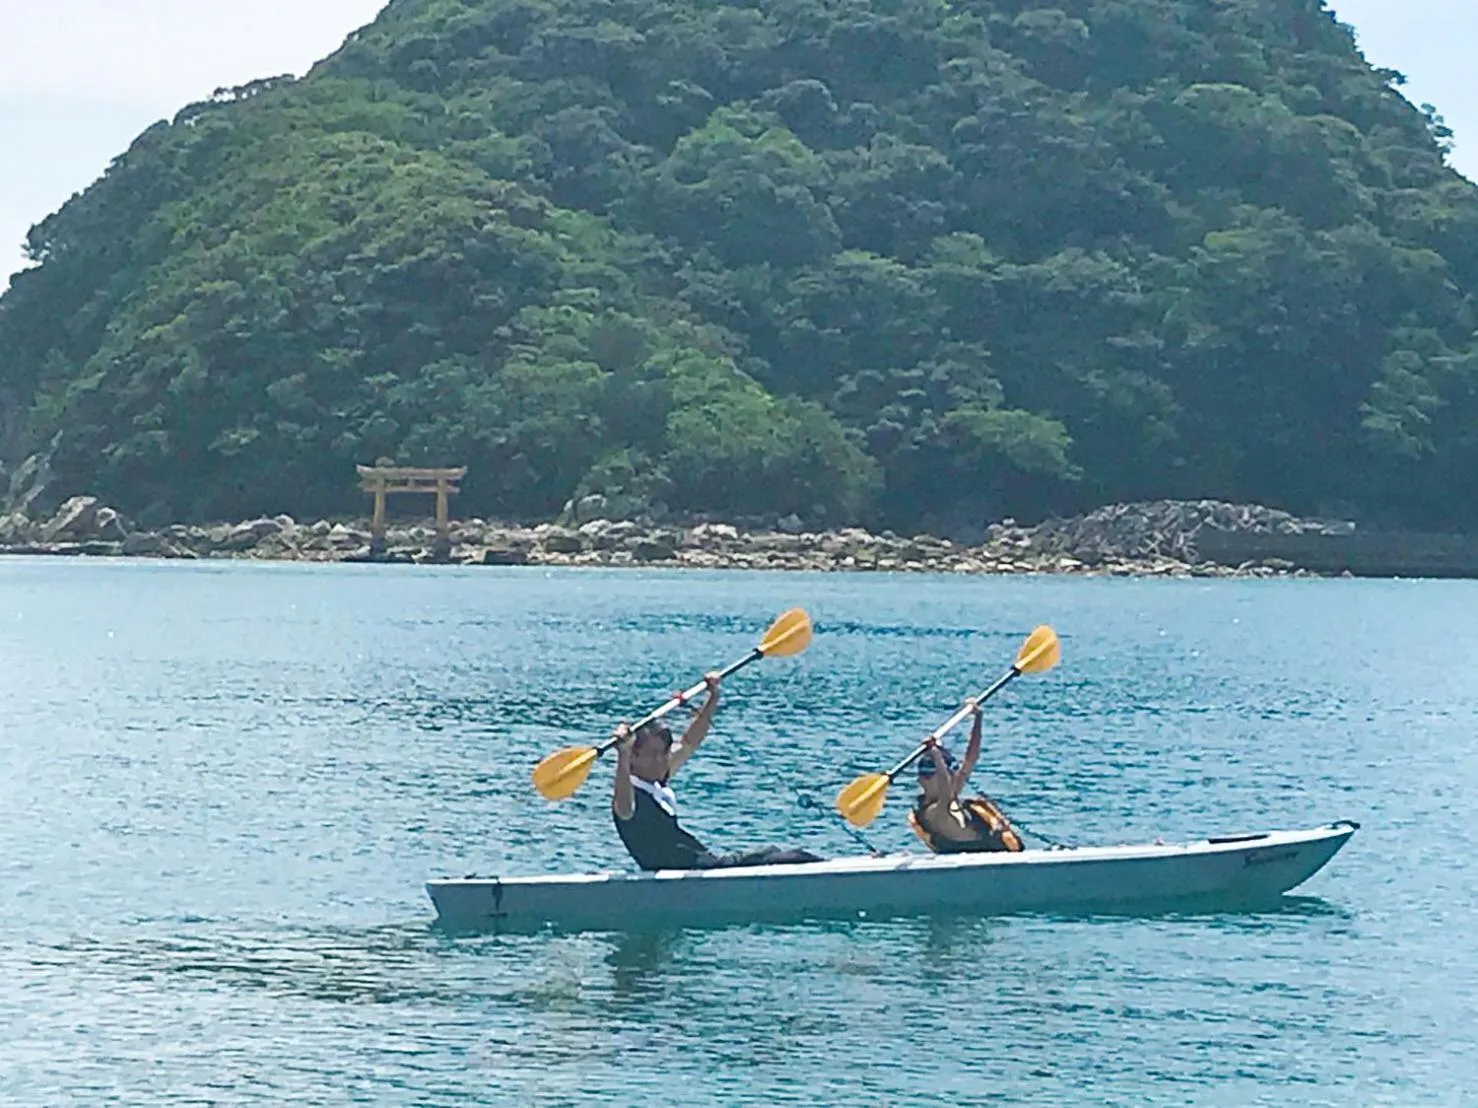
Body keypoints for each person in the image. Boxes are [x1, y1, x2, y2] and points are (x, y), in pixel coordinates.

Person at [611, 673, 824, 871]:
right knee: (779, 856)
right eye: (653, 754)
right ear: (633, 757)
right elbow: (624, 807)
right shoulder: (627, 797)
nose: (661, 760)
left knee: (777, 854)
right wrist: (622, 751)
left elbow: (688, 742)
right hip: (688, 871)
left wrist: (713, 697)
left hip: (701, 864)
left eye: (664, 753)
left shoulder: (655, 779)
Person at [910, 699, 1024, 854]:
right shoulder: (933, 812)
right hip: (972, 854)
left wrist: (978, 718)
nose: (952, 778)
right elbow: (944, 792)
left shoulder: (952, 793)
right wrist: (935, 754)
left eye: (950, 774)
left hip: (992, 849)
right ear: (922, 780)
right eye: (945, 774)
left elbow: (970, 759)